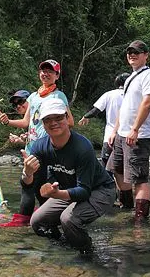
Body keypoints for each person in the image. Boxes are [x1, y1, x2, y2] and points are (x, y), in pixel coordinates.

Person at [23, 98, 116, 253]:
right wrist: (28, 173)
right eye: (48, 120)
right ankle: (65, 249)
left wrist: (57, 194)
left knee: (68, 219)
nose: (53, 123)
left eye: (58, 118)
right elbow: (37, 188)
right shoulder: (39, 147)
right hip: (69, 191)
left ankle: (87, 253)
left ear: (67, 118)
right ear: (42, 123)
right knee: (37, 222)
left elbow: (84, 191)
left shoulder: (82, 147)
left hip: (100, 190)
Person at [0, 60, 74, 227]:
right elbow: (27, 122)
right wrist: (7, 121)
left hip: (46, 149)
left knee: (27, 184)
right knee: (38, 186)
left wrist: (51, 130)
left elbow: (70, 121)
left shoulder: (58, 96)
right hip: (31, 148)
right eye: (43, 70)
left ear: (57, 76)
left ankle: (22, 222)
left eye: (50, 71)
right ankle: (47, 217)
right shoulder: (33, 96)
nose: (45, 74)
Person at [108, 40, 150, 221]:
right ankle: (127, 206)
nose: (132, 55)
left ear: (146, 55)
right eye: (130, 52)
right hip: (122, 134)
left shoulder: (149, 75)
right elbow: (124, 107)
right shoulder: (130, 77)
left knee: (139, 178)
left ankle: (140, 219)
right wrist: (115, 131)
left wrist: (135, 129)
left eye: (137, 52)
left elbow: (148, 101)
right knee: (117, 169)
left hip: (139, 134)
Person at [78, 73, 131, 206]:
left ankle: (108, 198)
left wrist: (85, 117)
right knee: (123, 170)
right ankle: (125, 201)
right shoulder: (133, 95)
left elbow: (96, 110)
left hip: (110, 138)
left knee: (106, 169)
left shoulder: (109, 94)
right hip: (128, 138)